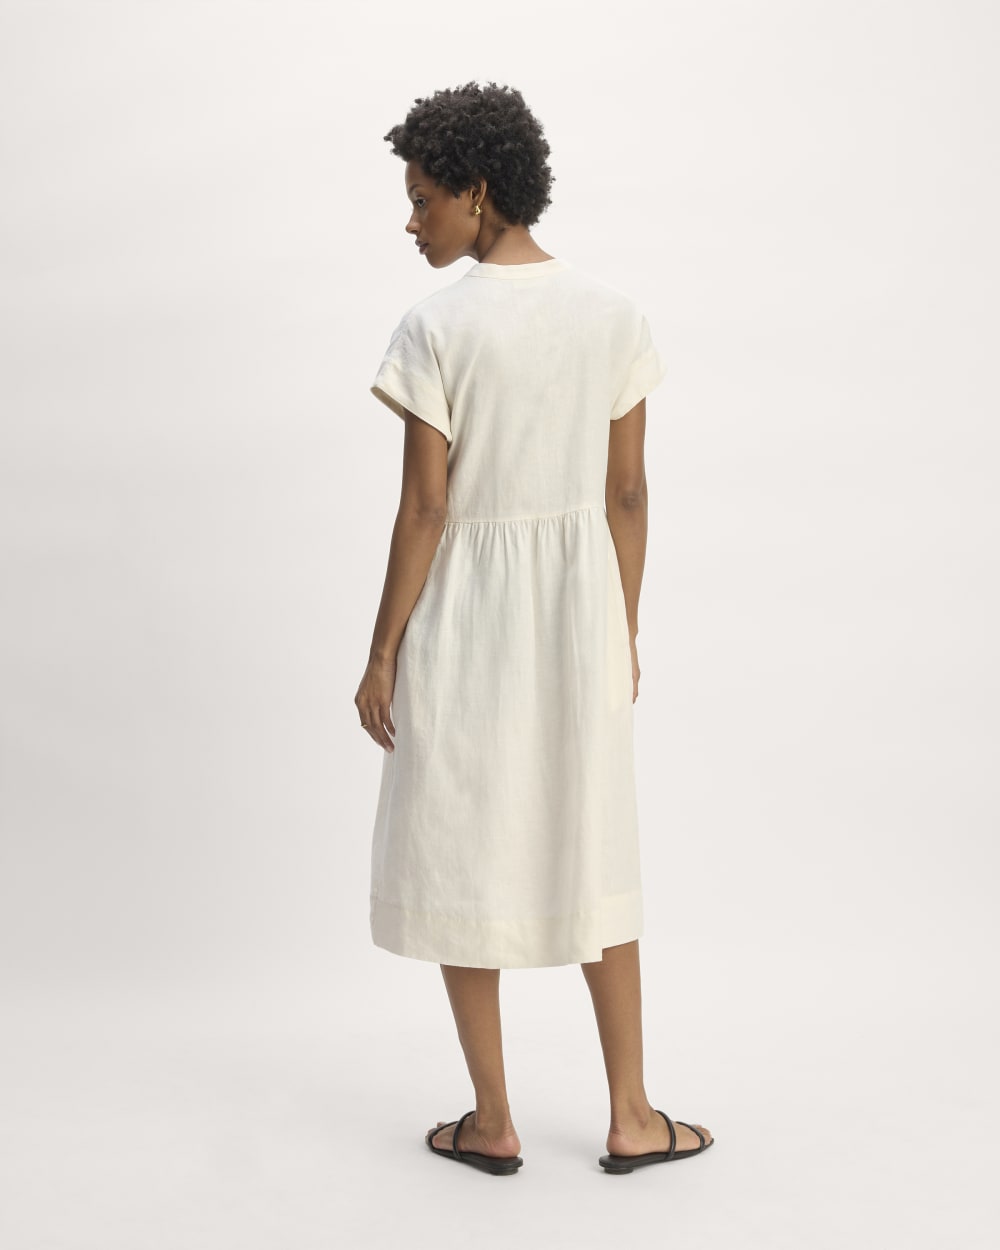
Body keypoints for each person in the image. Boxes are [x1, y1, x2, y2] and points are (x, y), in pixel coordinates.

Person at [354, 81, 714, 1176]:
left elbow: (426, 509)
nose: (410, 220)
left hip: (465, 618)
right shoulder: (612, 315)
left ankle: (493, 1118)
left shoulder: (436, 326)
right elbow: (628, 494)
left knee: (462, 842)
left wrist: (382, 653)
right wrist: (621, 627)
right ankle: (632, 1115)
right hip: (577, 616)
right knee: (594, 840)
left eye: (422, 198)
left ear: (477, 190)